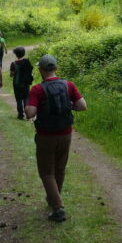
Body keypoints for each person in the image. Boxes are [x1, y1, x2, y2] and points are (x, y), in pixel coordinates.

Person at [25, 54, 86, 222]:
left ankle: (58, 207)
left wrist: (29, 107)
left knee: (46, 171)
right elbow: (82, 106)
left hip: (46, 136)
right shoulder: (68, 85)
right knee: (59, 168)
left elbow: (30, 113)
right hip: (66, 133)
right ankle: (53, 199)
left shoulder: (37, 89)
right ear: (56, 68)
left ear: (41, 70)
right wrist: (68, 105)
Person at [8, 46, 34, 120]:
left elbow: (11, 75)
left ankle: (20, 115)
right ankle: (28, 115)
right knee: (26, 98)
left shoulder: (13, 64)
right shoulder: (27, 62)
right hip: (26, 83)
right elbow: (31, 72)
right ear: (24, 53)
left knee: (18, 99)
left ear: (16, 55)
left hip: (17, 84)